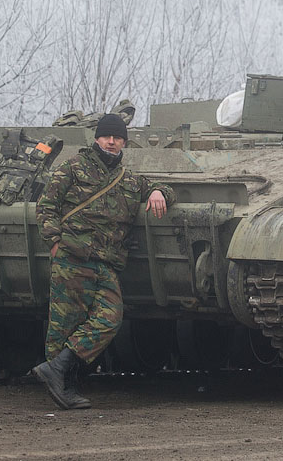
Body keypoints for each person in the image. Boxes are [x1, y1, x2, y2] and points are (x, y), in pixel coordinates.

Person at [31, 113, 175, 410]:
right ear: (96, 138)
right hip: (72, 256)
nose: (112, 142)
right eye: (107, 136)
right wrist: (55, 242)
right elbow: (46, 206)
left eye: (118, 137)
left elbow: (162, 189)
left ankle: (57, 371)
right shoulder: (72, 168)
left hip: (105, 262)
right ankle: (63, 385)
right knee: (64, 324)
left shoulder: (129, 179)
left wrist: (160, 191)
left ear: (124, 142)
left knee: (110, 318)